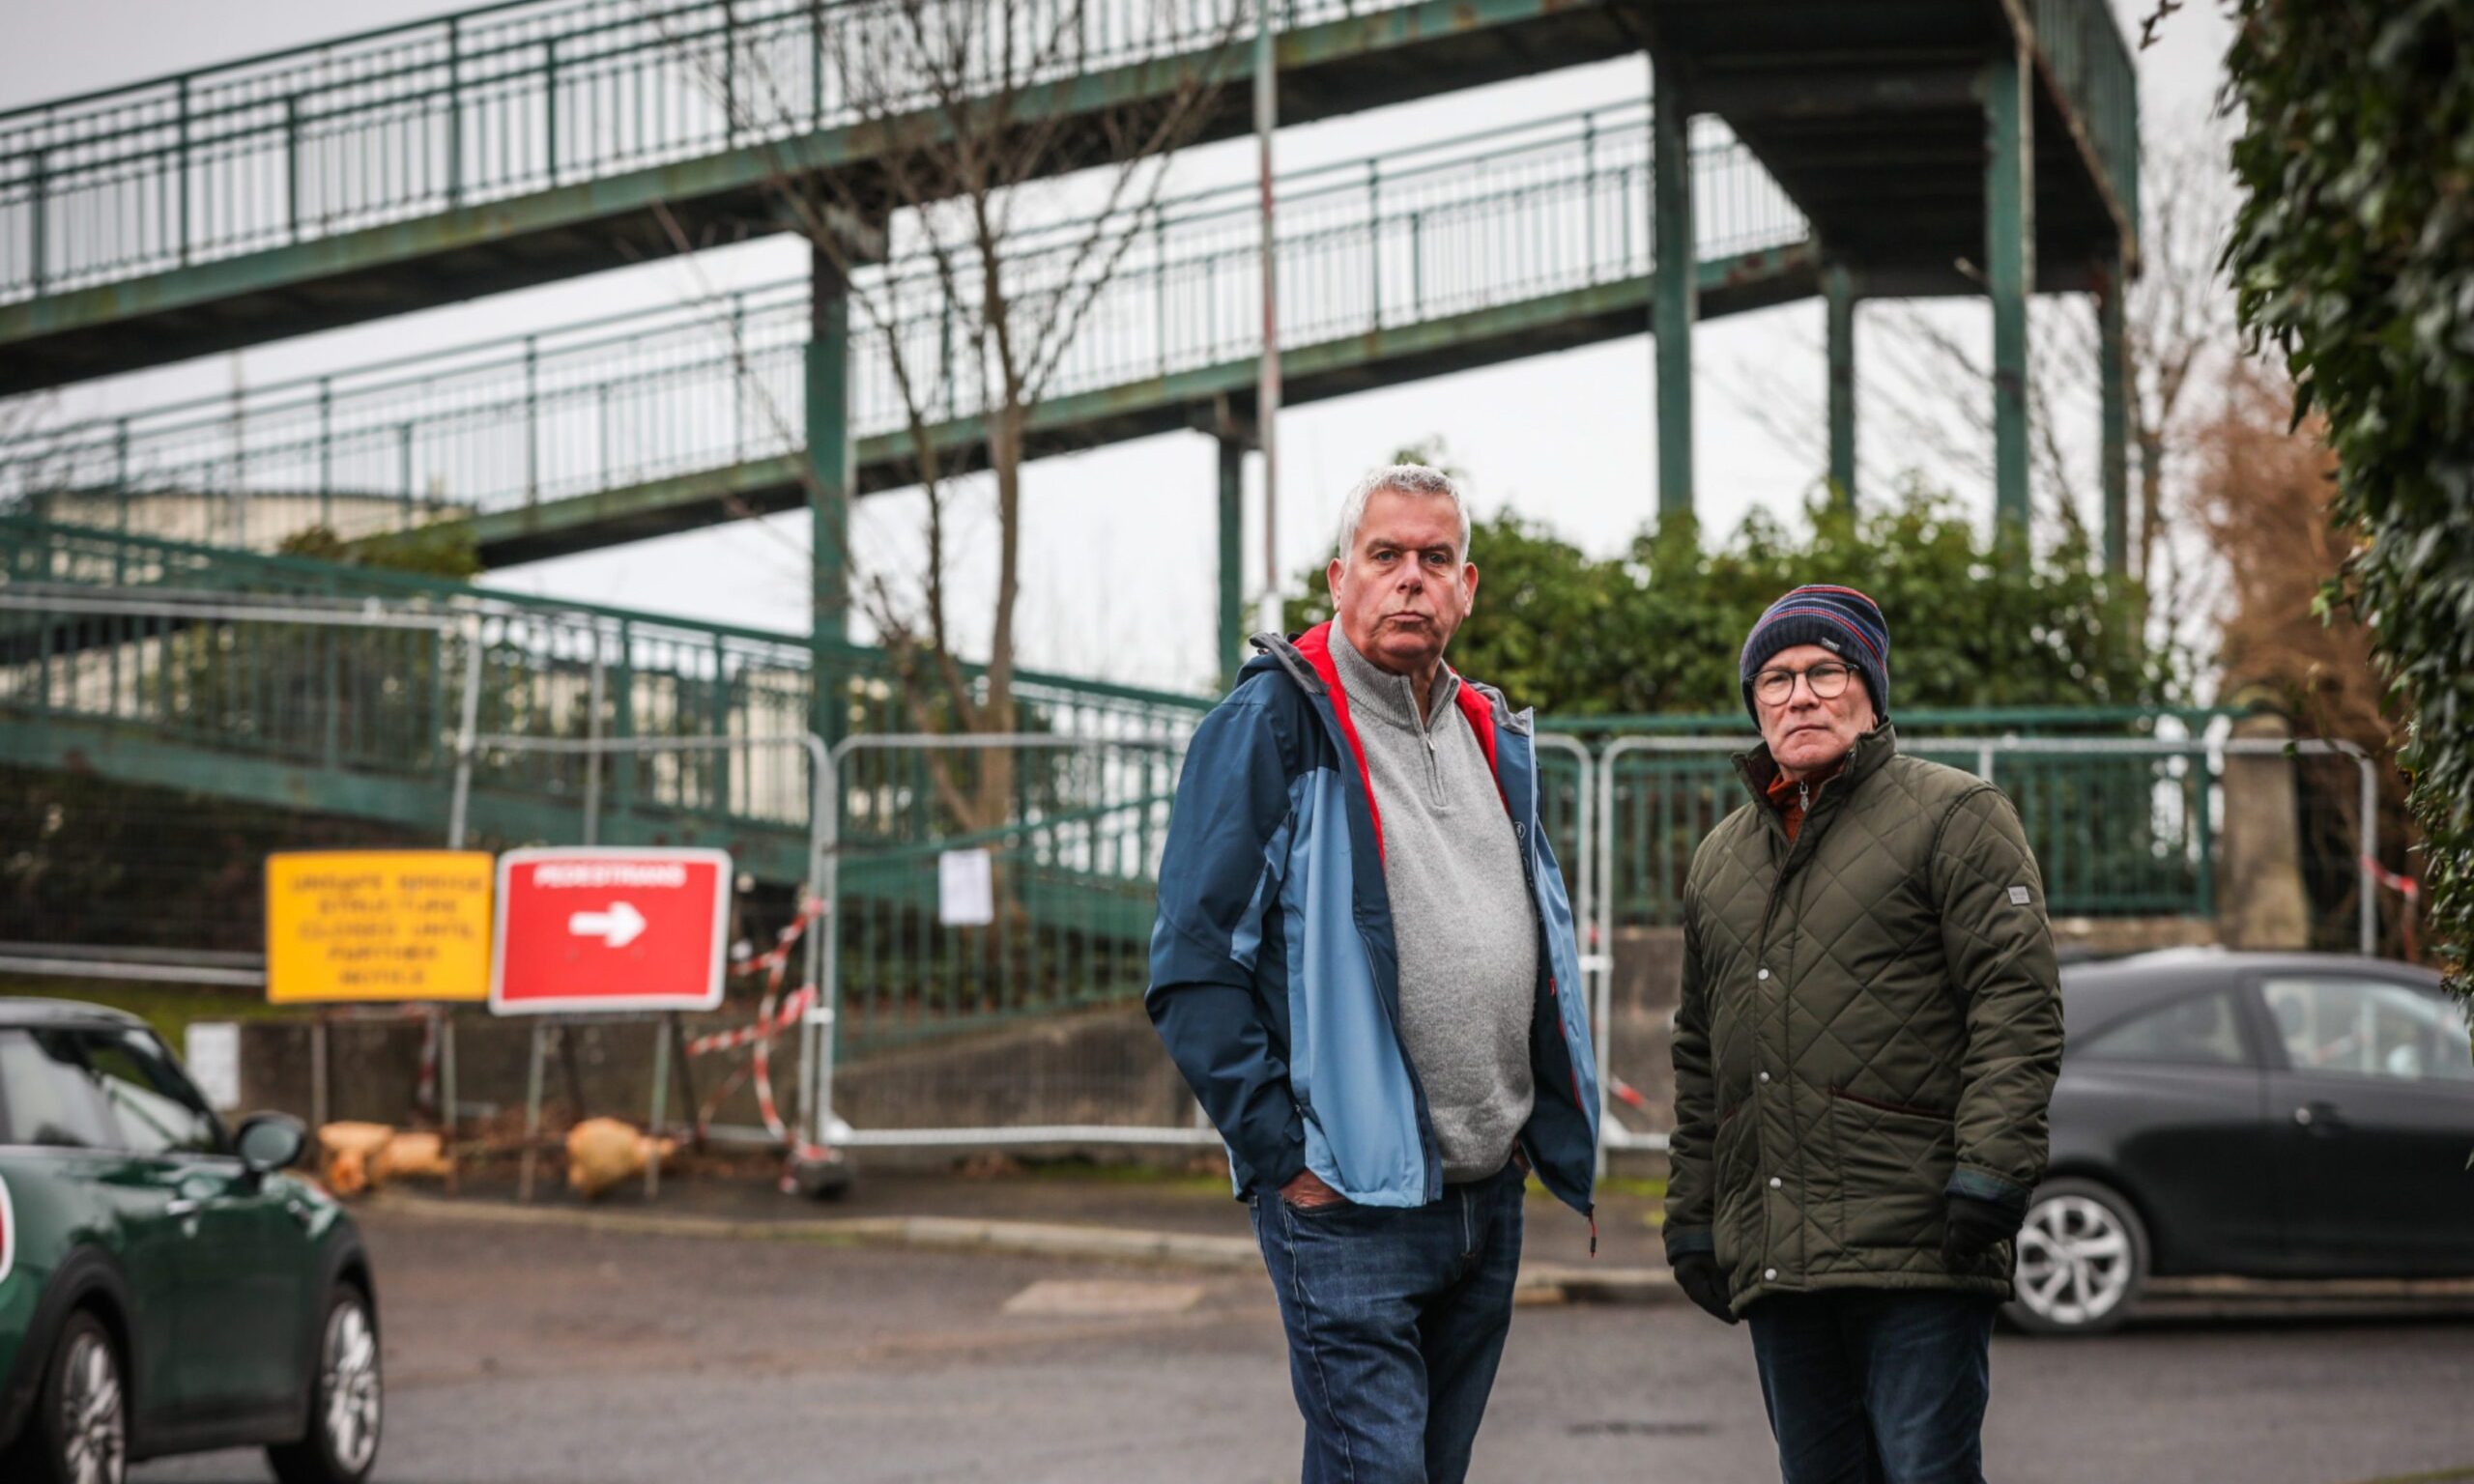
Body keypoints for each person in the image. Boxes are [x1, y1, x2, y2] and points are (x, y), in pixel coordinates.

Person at [1147, 464, 1598, 1484]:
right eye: (1385, 557)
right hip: (1345, 1199)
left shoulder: (1489, 732)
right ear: (1338, 577)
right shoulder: (1270, 726)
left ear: (1467, 586)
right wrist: (1284, 1158)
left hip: (1484, 1196)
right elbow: (1193, 970)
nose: (1410, 579)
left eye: (1433, 560)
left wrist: (1526, 1139)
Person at [1663, 584, 2064, 1484]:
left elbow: (2017, 1002)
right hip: (1778, 1254)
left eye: (1824, 671)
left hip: (1922, 1240)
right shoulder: (1719, 858)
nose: (1798, 695)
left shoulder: (1957, 815)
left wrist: (1993, 1170)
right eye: (1773, 679)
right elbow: (1700, 1055)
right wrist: (1693, 1217)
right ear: (1754, 705)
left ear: (1870, 693)